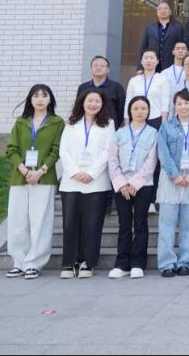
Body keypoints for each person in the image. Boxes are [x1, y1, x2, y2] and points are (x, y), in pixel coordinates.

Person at [5, 84, 64, 280]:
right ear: (30, 99)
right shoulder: (21, 122)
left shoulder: (57, 122)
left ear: (50, 99)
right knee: (17, 221)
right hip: (20, 178)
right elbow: (11, 150)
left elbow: (56, 151)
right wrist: (23, 170)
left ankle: (34, 263)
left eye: (44, 95)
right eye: (36, 95)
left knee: (40, 222)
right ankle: (19, 262)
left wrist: (40, 171)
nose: (40, 99)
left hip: (44, 178)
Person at [58, 89, 114, 279]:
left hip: (96, 182)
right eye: (90, 100)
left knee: (92, 224)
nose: (93, 104)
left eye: (97, 101)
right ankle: (69, 263)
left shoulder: (108, 124)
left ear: (102, 104)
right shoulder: (71, 123)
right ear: (82, 102)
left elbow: (108, 151)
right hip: (71, 182)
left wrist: (91, 173)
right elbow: (63, 150)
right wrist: (74, 172)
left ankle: (88, 263)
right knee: (70, 224)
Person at [107, 96, 159, 279]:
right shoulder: (119, 133)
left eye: (143, 108)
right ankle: (122, 264)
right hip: (121, 185)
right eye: (136, 108)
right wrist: (122, 183)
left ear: (148, 111)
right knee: (124, 224)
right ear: (130, 111)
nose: (139, 111)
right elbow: (112, 160)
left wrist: (135, 183)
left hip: (143, 185)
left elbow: (151, 162)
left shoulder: (154, 133)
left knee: (140, 223)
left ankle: (138, 263)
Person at [156, 90, 189, 278]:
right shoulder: (166, 127)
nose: (183, 107)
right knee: (167, 223)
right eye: (179, 103)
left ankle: (184, 262)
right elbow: (163, 152)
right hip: (170, 178)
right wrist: (174, 174)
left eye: (187, 103)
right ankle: (167, 263)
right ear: (174, 106)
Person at [137, 1, 185, 73]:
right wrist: (140, 67)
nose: (163, 11)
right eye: (160, 9)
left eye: (166, 8)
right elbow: (143, 48)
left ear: (170, 12)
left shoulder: (178, 28)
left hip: (171, 66)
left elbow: (183, 48)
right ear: (157, 12)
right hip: (152, 66)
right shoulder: (149, 28)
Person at [126, 50, 171, 126]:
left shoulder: (162, 80)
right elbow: (128, 102)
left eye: (151, 58)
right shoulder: (133, 81)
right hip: (136, 118)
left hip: (155, 118)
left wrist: (164, 124)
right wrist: (127, 124)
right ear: (141, 61)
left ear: (157, 61)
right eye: (146, 58)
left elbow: (165, 103)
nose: (148, 60)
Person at [78, 56, 126, 128]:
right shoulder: (83, 87)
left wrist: (114, 124)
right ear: (91, 69)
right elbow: (78, 108)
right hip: (86, 127)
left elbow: (121, 110)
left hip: (108, 127)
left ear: (108, 70)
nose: (99, 68)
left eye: (102, 66)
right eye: (95, 65)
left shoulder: (117, 87)